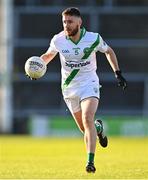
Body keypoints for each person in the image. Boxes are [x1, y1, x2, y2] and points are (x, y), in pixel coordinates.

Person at [27, 7, 127, 173]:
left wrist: (118, 73)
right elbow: (47, 56)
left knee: (88, 118)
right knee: (85, 128)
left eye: (70, 22)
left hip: (89, 83)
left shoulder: (93, 38)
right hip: (69, 88)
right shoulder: (58, 40)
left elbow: (108, 51)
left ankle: (90, 162)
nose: (67, 25)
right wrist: (37, 68)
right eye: (64, 22)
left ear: (79, 22)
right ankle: (99, 129)